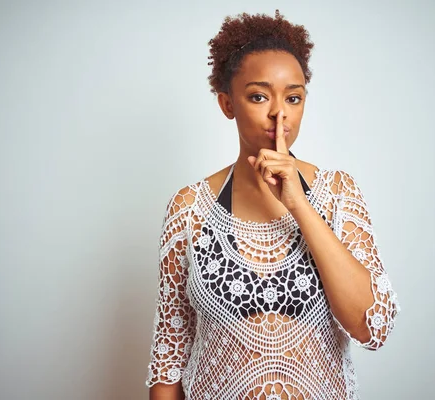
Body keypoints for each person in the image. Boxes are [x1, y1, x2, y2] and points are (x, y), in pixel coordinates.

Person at [145, 9, 400, 400]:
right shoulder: (191, 206)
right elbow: (169, 355)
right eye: (259, 96)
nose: (280, 113)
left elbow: (373, 327)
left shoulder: (336, 194)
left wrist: (299, 204)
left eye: (294, 98)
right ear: (227, 104)